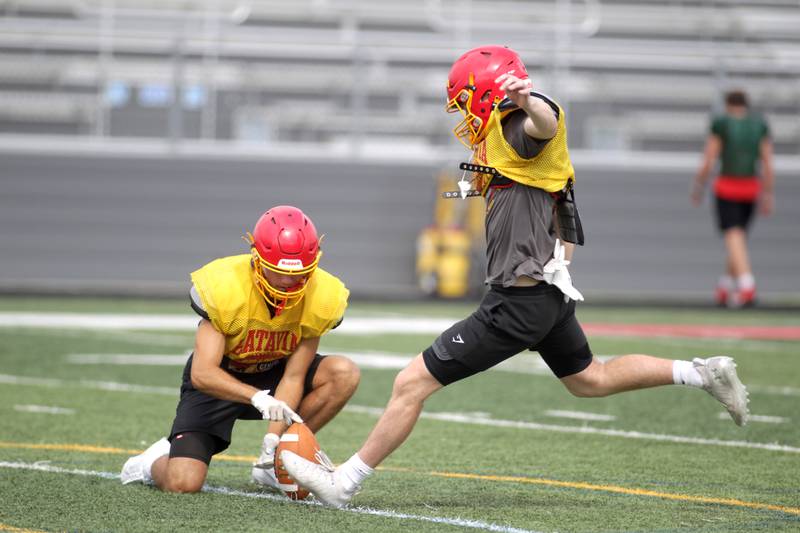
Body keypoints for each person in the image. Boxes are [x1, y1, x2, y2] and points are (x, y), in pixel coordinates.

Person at [281, 46, 750, 508]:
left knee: (410, 383)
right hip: (546, 296)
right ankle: (700, 372)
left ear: (487, 93)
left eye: (465, 101)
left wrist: (528, 100)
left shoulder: (520, 127)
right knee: (590, 379)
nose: (463, 114)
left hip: (517, 302)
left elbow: (545, 123)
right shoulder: (500, 142)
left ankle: (344, 482)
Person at [120, 205, 360, 493]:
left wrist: (273, 442)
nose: (287, 282)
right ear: (256, 258)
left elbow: (294, 376)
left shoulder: (322, 296)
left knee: (343, 373)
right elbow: (202, 374)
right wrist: (257, 398)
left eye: (299, 274)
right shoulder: (226, 286)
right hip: (220, 380)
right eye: (276, 272)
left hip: (275, 373)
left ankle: (275, 462)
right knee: (182, 483)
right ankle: (149, 462)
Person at [692, 90, 775, 307]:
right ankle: (725, 285)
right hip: (751, 187)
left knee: (733, 235)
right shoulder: (759, 125)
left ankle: (747, 285)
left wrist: (699, 184)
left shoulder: (722, 124)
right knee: (738, 238)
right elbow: (767, 162)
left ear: (728, 104)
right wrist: (768, 192)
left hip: (728, 186)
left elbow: (709, 158)